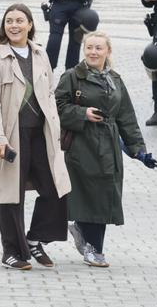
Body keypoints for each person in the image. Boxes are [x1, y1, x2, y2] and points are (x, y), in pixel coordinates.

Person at [0, 3, 70, 270]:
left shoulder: (40, 54)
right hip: (11, 133)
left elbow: (50, 92)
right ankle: (12, 251)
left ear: (30, 24)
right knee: (11, 194)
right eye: (9, 21)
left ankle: (35, 238)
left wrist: (56, 126)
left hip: (41, 132)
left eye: (20, 20)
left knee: (56, 188)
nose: (14, 26)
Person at [55, 31, 149, 268]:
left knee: (105, 195)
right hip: (82, 145)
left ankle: (86, 238)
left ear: (108, 51)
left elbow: (126, 116)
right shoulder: (72, 77)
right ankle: (92, 248)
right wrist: (82, 113)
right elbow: (56, 107)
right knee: (88, 196)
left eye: (98, 48)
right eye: (89, 48)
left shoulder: (115, 79)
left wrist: (139, 149)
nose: (93, 52)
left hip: (109, 147)